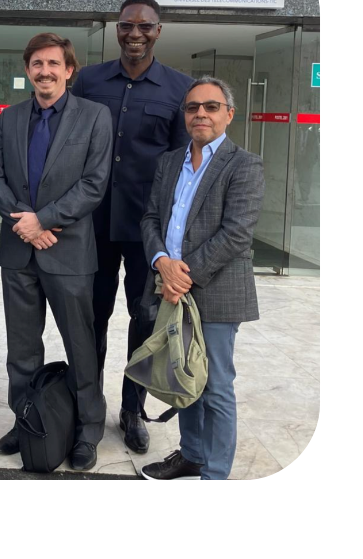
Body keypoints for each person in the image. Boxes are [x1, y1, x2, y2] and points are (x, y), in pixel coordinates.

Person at [0, 33, 113, 470]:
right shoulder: (10, 118)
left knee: (80, 346)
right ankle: (27, 422)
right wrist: (25, 224)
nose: (45, 71)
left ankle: (88, 430)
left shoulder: (94, 116)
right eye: (37, 63)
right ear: (28, 70)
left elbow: (94, 183)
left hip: (68, 251)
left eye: (54, 63)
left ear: (69, 70)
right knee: (21, 350)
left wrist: (43, 219)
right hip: (18, 250)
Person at [71, 0, 192, 453]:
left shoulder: (179, 88)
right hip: (93, 224)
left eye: (144, 26)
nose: (134, 34)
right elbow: (71, 144)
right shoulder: (89, 80)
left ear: (158, 31)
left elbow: (181, 167)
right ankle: (88, 407)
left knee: (144, 319)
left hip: (148, 230)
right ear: (117, 29)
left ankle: (131, 410)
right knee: (91, 319)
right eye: (126, 26)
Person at [139, 77, 264, 480]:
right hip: (171, 287)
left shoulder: (244, 164)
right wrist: (162, 261)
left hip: (215, 290)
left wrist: (182, 275)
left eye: (211, 107)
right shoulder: (169, 162)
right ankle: (191, 456)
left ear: (229, 114)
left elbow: (236, 233)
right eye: (193, 107)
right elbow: (151, 218)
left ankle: (215, 473)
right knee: (183, 375)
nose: (201, 114)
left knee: (216, 386)